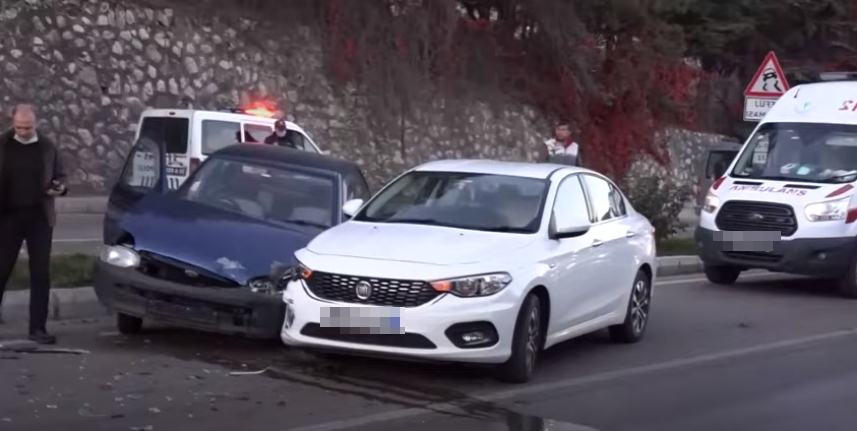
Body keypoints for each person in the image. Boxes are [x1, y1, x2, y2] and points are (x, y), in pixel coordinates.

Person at [0, 104, 67, 345]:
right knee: (2, 270)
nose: (23, 131)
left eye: (27, 127)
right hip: (8, 217)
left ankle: (37, 328)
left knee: (40, 274)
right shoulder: (3, 144)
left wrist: (59, 187)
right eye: (18, 127)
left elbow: (61, 175)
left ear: (35, 124)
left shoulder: (47, 146)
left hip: (39, 217)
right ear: (12, 122)